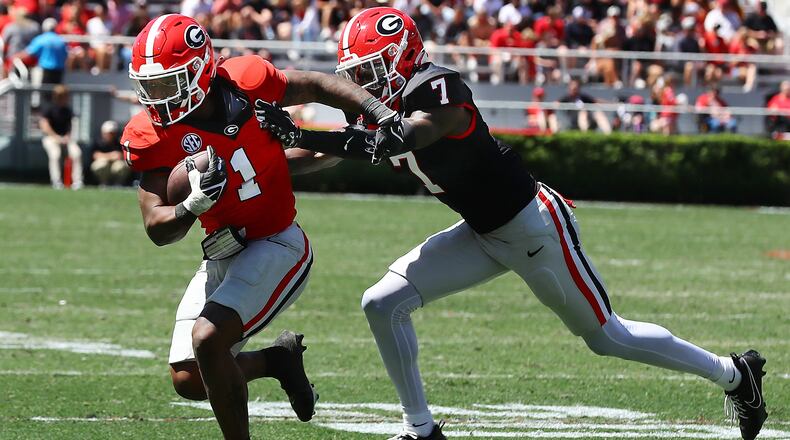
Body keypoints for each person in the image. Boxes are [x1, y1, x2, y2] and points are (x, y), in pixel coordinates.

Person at [255, 8, 768, 440]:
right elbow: (324, 153)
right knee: (382, 302)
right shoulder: (384, 108)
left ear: (403, 56)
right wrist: (261, 156)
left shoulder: (440, 89)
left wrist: (302, 131)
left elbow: (398, 140)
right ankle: (421, 429)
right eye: (357, 73)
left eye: (371, 69)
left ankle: (734, 374)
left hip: (532, 228)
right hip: (481, 232)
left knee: (606, 336)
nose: (363, 84)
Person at [120, 14, 404, 439]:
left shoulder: (247, 79)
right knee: (188, 378)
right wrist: (190, 207)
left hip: (278, 243)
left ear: (199, 71)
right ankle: (277, 361)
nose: (155, 98)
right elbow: (156, 227)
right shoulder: (150, 132)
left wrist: (376, 113)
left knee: (209, 338)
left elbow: (318, 83)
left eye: (165, 84)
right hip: (222, 249)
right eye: (149, 86)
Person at [40, 85, 83, 190]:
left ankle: (77, 182)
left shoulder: (68, 110)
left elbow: (70, 127)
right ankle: (56, 181)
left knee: (76, 153)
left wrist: (67, 137)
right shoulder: (49, 108)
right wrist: (56, 137)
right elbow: (44, 125)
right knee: (55, 155)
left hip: (66, 139)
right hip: (51, 138)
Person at [15, 17, 66, 85]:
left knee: (44, 92)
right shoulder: (60, 40)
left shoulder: (41, 39)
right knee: (55, 92)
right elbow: (65, 55)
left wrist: (16, 57)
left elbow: (29, 52)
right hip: (59, 71)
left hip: (46, 71)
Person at [90, 120, 130, 186]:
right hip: (105, 165)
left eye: (113, 133)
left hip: (115, 164)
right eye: (109, 133)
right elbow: (96, 155)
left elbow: (120, 156)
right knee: (100, 165)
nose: (111, 135)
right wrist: (111, 156)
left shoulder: (119, 141)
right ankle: (104, 183)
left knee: (120, 166)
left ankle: (118, 183)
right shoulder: (98, 141)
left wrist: (105, 156)